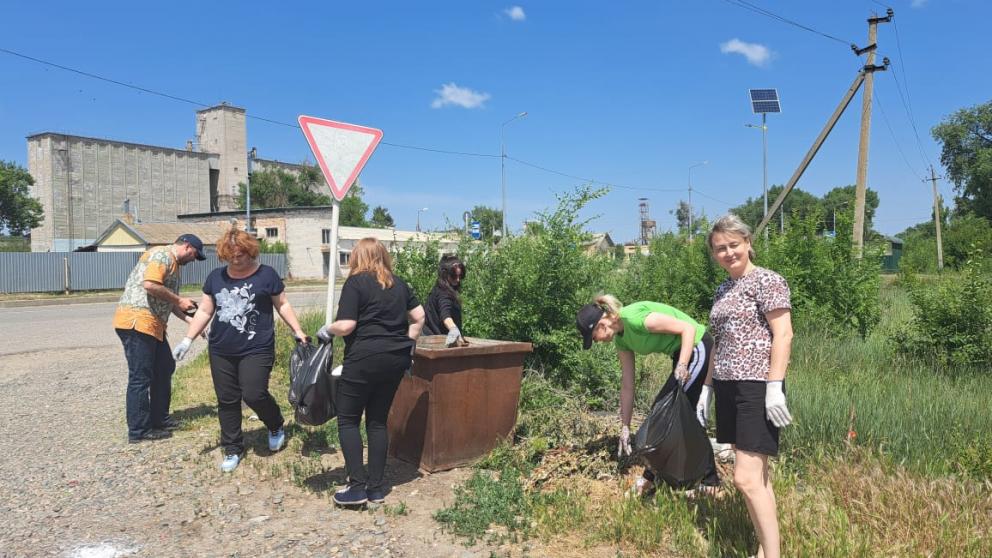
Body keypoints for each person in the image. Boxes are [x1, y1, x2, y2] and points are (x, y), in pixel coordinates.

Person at [697, 214, 793, 558]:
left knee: (745, 479)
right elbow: (717, 343)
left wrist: (774, 386)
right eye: (720, 248)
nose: (728, 253)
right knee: (759, 478)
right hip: (726, 385)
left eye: (734, 245)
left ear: (748, 243)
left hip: (756, 386)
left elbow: (784, 333)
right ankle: (765, 550)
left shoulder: (768, 281)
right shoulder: (723, 289)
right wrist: (707, 389)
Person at [173, 228, 308, 473]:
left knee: (254, 393)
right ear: (225, 255)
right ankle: (233, 447)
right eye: (232, 256)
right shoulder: (215, 278)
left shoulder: (267, 275)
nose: (237, 260)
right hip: (221, 349)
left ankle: (275, 423)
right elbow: (205, 311)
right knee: (227, 400)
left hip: (257, 347)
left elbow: (283, 304)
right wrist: (187, 340)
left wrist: (297, 330)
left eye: (242, 255)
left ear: (251, 252)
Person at [316, 237, 425, 506]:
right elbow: (420, 316)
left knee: (348, 419)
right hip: (395, 360)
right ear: (383, 256)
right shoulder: (398, 284)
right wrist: (408, 343)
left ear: (357, 257)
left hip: (364, 358)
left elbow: (347, 325)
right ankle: (376, 489)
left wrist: (326, 329)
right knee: (376, 421)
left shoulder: (356, 283)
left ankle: (356, 488)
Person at [576, 294, 720, 496]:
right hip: (682, 353)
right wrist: (625, 426)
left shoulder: (634, 318)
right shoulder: (622, 341)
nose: (597, 342)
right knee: (668, 415)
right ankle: (677, 479)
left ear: (600, 325)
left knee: (668, 413)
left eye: (594, 338)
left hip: (697, 347)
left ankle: (703, 482)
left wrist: (682, 365)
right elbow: (627, 384)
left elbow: (688, 329)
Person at [114, 234, 205, 443]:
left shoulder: (173, 264)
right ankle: (139, 431)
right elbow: (151, 285)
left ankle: (159, 419)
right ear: (187, 246)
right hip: (138, 322)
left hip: (152, 325)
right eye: (194, 254)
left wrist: (192, 322)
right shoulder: (161, 255)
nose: (194, 259)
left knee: (164, 368)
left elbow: (170, 302)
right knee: (140, 377)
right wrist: (180, 299)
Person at [423, 254, 466, 346]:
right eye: (454, 276)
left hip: (432, 339)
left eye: (460, 276)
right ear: (445, 274)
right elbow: (445, 316)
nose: (458, 280)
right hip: (436, 342)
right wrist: (454, 329)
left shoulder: (440, 289)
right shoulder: (443, 293)